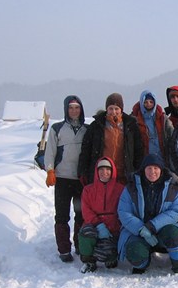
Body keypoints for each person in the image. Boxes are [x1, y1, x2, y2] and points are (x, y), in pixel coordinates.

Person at [117, 153, 178, 277]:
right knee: (135, 251)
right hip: (139, 232)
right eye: (149, 168)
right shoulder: (131, 187)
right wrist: (141, 229)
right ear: (143, 170)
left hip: (164, 229)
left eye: (156, 168)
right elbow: (124, 212)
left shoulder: (173, 188)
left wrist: (152, 226)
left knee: (174, 234)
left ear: (161, 170)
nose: (153, 171)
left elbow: (177, 210)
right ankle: (141, 264)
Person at [44, 95, 88, 262]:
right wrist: (50, 171)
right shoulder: (57, 129)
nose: (74, 111)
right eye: (71, 108)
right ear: (66, 110)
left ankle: (79, 244)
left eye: (77, 108)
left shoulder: (86, 129)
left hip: (80, 179)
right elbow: (50, 152)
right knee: (62, 215)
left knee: (81, 214)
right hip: (62, 178)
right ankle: (63, 249)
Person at [78, 93, 143, 185]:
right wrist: (83, 171)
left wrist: (137, 170)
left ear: (121, 110)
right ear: (106, 109)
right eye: (111, 108)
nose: (113, 112)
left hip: (124, 175)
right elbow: (86, 150)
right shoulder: (97, 125)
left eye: (116, 109)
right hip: (102, 174)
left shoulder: (130, 126)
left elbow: (138, 151)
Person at [78, 157, 125, 273]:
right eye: (101, 170)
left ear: (112, 171)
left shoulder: (121, 189)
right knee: (86, 233)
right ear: (96, 172)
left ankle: (109, 257)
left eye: (108, 170)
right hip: (94, 226)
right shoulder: (88, 190)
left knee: (108, 256)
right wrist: (98, 224)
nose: (104, 173)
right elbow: (86, 211)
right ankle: (88, 261)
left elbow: (124, 210)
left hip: (113, 230)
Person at [131, 90, 174, 168]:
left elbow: (172, 136)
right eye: (146, 102)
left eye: (151, 102)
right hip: (143, 159)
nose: (148, 104)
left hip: (162, 158)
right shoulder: (134, 120)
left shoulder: (163, 119)